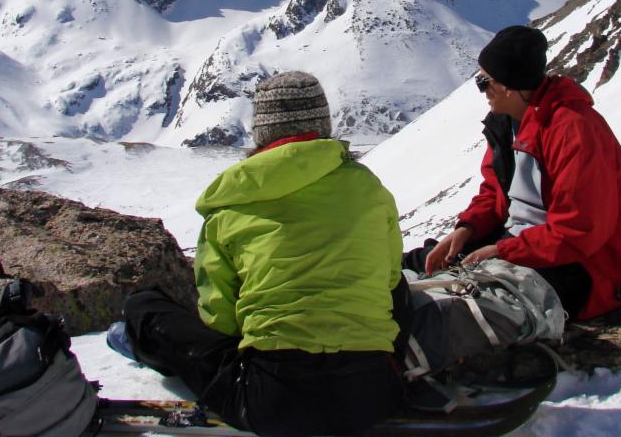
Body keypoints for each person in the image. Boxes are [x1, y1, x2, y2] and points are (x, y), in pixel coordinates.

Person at [122, 71, 407, 437]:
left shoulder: (229, 205)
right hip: (372, 395)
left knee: (145, 308)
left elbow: (221, 320)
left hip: (271, 400)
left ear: (262, 130)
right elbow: (388, 280)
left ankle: (132, 339)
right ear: (323, 124)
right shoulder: (370, 189)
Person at [409, 26, 621, 320]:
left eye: (484, 81)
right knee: (423, 261)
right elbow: (494, 192)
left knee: (479, 306)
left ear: (508, 85)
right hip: (525, 242)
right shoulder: (507, 123)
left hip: (591, 265)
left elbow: (579, 231)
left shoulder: (572, 129)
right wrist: (467, 229)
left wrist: (503, 252)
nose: (482, 90)